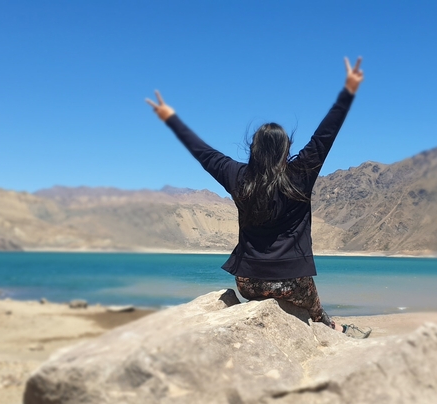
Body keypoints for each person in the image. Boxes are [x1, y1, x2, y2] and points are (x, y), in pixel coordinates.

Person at [146, 57, 370, 338]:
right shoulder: (299, 174)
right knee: (316, 310)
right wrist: (348, 91)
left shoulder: (237, 176)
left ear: (253, 148)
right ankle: (335, 329)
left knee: (301, 300)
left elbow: (202, 152)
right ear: (286, 148)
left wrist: (170, 118)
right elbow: (326, 135)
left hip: (247, 282)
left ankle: (330, 325)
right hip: (291, 282)